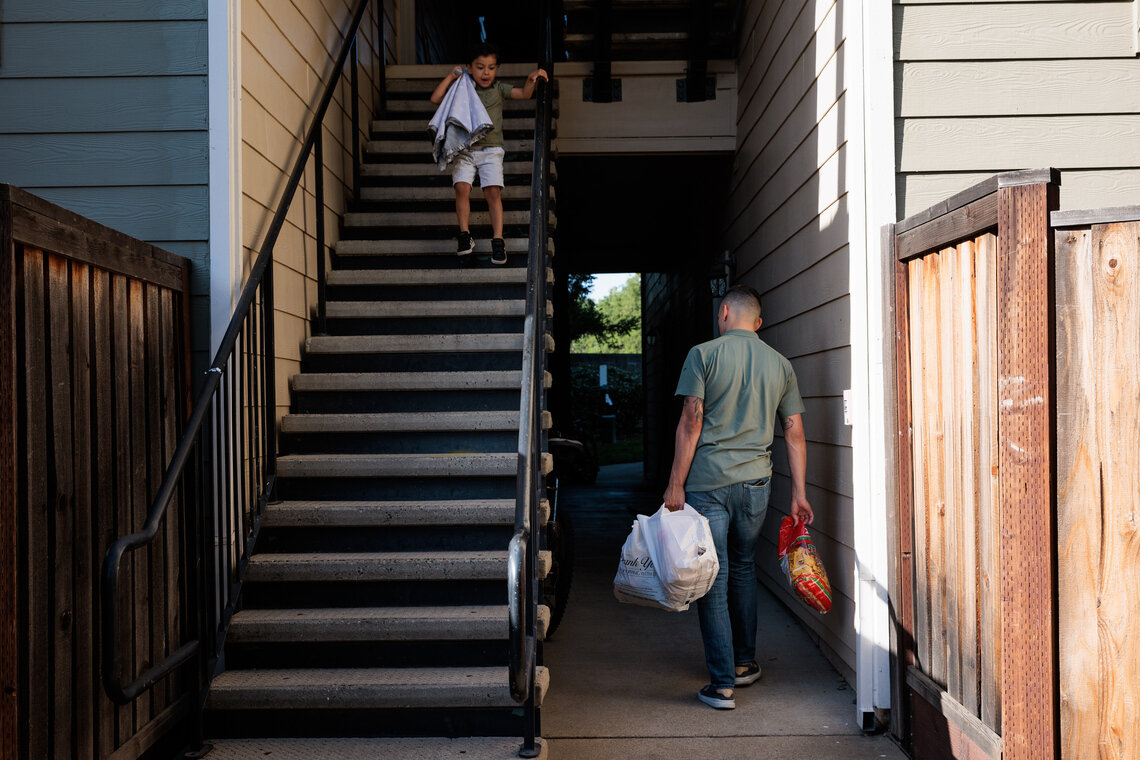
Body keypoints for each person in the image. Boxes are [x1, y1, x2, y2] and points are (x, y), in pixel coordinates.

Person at [662, 284, 814, 710]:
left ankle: (723, 684)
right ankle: (745, 664)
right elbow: (795, 431)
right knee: (744, 568)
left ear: (723, 312)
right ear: (759, 323)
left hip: (709, 484)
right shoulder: (780, 364)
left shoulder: (704, 355)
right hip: (756, 486)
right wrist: (799, 493)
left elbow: (692, 422)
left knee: (714, 576)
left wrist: (676, 482)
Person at [429, 43, 548, 265]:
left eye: (491, 68)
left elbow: (523, 94)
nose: (486, 72)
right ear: (469, 68)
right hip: (465, 149)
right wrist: (450, 77)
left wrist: (532, 79)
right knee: (461, 187)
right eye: (480, 67)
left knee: (492, 192)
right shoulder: (462, 88)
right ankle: (464, 235)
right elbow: (436, 99)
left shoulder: (499, 89)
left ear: (496, 69)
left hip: (492, 150)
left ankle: (498, 239)